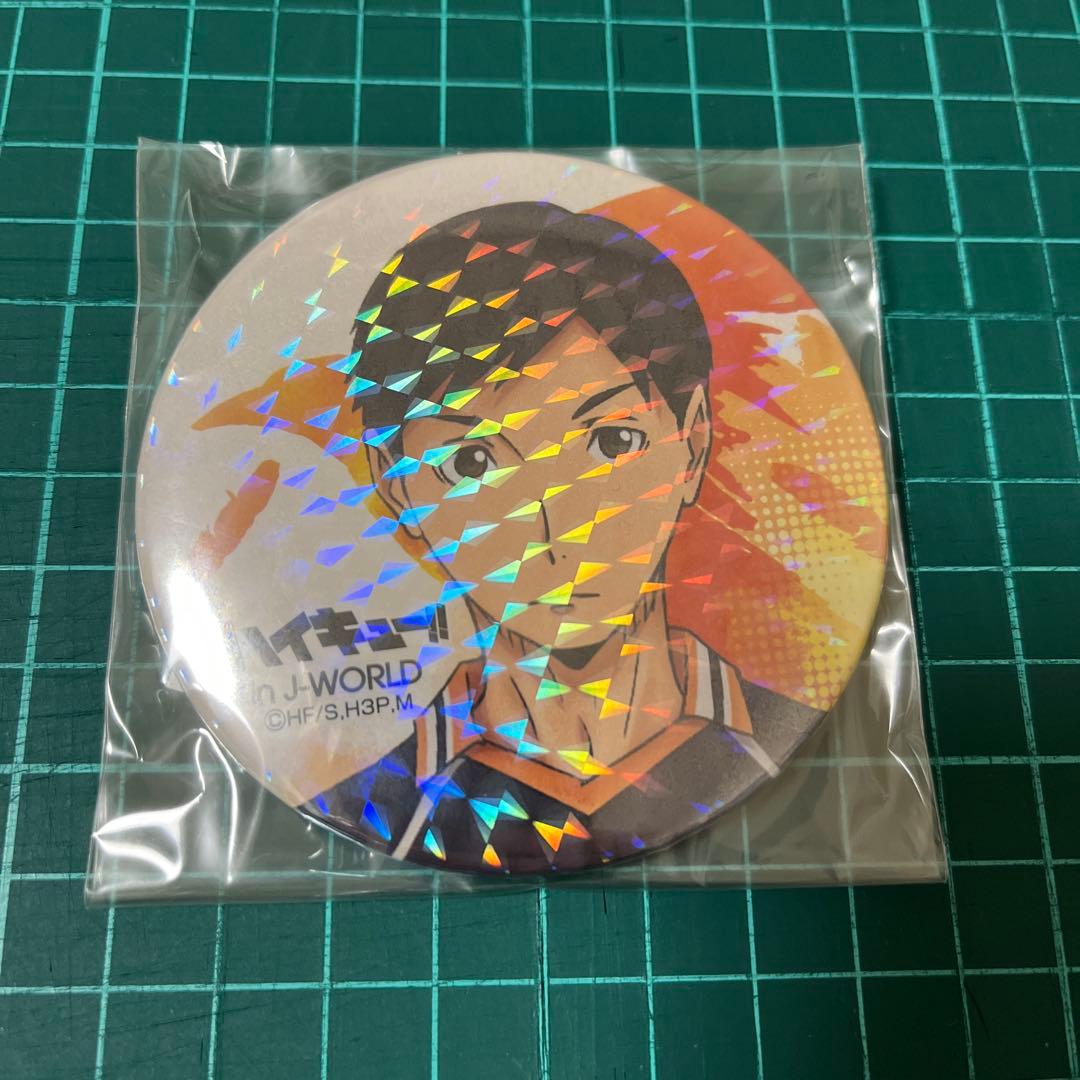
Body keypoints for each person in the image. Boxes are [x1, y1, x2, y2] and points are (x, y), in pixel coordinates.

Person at [306, 201, 818, 872]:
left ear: (693, 441)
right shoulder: (378, 806)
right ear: (395, 486)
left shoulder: (786, 742)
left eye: (612, 443)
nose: (557, 531)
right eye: (473, 464)